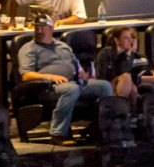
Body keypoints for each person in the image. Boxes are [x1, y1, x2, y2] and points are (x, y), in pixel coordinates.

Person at [16, 15, 113, 145]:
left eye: (43, 27)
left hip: (74, 82)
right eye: (36, 27)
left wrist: (82, 74)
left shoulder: (63, 47)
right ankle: (58, 134)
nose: (39, 30)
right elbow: (26, 75)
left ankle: (98, 129)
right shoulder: (29, 48)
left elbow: (76, 65)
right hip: (46, 88)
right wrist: (51, 77)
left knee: (105, 86)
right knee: (71, 89)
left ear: (51, 28)